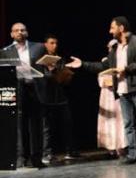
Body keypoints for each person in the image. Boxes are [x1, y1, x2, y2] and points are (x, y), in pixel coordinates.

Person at [68, 17, 136, 167]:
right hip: (123, 91)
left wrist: (127, 69)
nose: (110, 31)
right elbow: (103, 66)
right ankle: (133, 154)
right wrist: (82, 64)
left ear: (121, 28)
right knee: (128, 125)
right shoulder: (115, 48)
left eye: (112, 28)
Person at [2, 23, 46, 168]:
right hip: (18, 89)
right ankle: (22, 157)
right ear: (11, 34)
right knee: (20, 125)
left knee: (36, 125)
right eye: (16, 30)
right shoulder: (6, 51)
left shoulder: (38, 47)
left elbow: (47, 66)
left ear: (27, 32)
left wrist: (50, 69)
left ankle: (36, 158)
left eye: (22, 30)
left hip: (35, 88)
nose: (20, 32)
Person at [40, 34, 79, 163]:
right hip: (47, 97)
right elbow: (44, 77)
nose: (55, 45)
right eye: (52, 43)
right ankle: (47, 153)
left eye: (56, 43)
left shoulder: (60, 59)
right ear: (45, 44)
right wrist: (52, 71)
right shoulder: (41, 59)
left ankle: (70, 150)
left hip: (61, 96)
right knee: (47, 127)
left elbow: (64, 77)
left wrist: (59, 72)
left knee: (67, 123)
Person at [96, 40, 126, 157]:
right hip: (107, 95)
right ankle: (111, 147)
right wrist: (108, 79)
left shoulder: (121, 61)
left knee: (120, 120)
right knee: (109, 120)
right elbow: (101, 79)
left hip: (118, 93)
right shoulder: (105, 61)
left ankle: (121, 146)